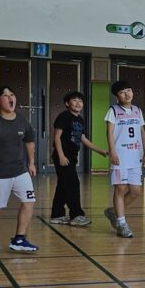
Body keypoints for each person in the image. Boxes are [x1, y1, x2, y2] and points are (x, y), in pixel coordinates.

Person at [0, 85, 38, 253]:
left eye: (12, 94)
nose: (10, 98)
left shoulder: (22, 120)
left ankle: (19, 239)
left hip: (20, 171)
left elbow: (29, 142)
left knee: (29, 202)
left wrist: (31, 163)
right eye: (5, 96)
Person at [50, 90, 109, 226]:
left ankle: (57, 215)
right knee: (73, 184)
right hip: (63, 157)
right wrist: (61, 156)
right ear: (67, 103)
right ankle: (76, 215)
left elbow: (83, 138)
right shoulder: (63, 116)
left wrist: (100, 151)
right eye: (74, 100)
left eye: (80, 101)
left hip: (72, 156)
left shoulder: (80, 119)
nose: (78, 103)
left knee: (63, 185)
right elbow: (57, 137)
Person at [104, 81, 145, 238]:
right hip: (121, 157)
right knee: (120, 189)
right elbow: (109, 133)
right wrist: (113, 152)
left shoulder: (137, 110)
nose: (127, 94)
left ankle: (114, 211)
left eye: (129, 90)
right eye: (122, 92)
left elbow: (142, 132)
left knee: (136, 191)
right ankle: (121, 224)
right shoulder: (113, 111)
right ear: (117, 96)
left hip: (135, 156)